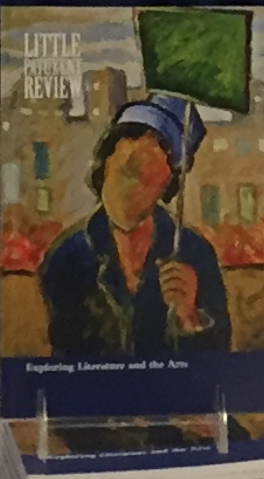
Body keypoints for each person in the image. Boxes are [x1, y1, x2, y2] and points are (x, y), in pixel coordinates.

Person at [32, 95, 232, 360]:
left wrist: (190, 318)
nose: (130, 192)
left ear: (167, 187)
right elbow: (67, 355)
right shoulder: (67, 257)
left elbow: (218, 360)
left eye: (146, 180)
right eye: (125, 172)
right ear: (103, 168)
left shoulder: (195, 254)